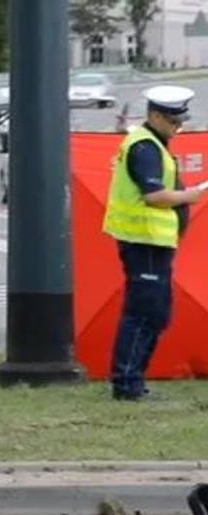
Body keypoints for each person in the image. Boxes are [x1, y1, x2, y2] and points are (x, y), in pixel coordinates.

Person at [103, 85, 206, 402]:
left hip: (154, 242)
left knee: (157, 312)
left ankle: (134, 380)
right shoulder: (145, 148)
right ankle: (127, 384)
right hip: (144, 240)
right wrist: (193, 195)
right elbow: (155, 196)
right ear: (156, 116)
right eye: (174, 122)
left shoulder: (154, 143)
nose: (179, 128)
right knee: (144, 312)